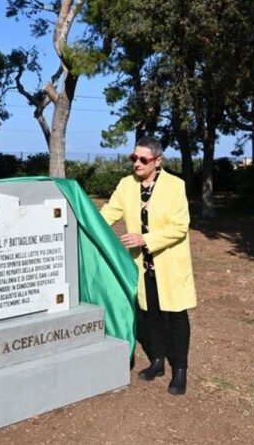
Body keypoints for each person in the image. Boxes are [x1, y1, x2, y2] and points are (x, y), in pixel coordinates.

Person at [100, 137, 196, 395]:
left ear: (158, 161)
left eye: (144, 159)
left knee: (176, 316)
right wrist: (85, 223)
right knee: (149, 314)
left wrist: (145, 240)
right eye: (134, 158)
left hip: (169, 265)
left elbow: (179, 227)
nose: (137, 163)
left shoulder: (176, 186)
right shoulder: (125, 185)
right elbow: (108, 213)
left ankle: (180, 370)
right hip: (142, 266)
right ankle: (157, 361)